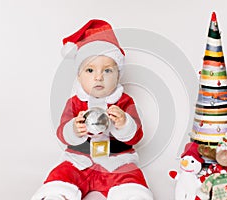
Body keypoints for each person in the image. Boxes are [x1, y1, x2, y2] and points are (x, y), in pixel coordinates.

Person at [31, 19, 153, 200]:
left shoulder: (124, 101)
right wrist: (73, 128)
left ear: (118, 75)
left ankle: (130, 196)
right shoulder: (75, 103)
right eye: (90, 70)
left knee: (131, 178)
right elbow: (61, 132)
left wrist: (124, 123)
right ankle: (57, 195)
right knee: (62, 174)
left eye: (107, 71)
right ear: (79, 77)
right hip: (80, 160)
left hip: (116, 161)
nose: (98, 77)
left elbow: (137, 135)